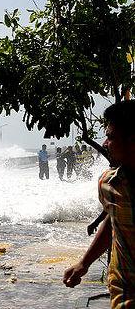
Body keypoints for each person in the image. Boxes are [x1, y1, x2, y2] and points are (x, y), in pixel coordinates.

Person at [63, 100, 135, 307]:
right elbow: (115, 222)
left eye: (111, 137)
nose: (104, 144)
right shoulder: (109, 184)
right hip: (125, 290)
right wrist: (83, 264)